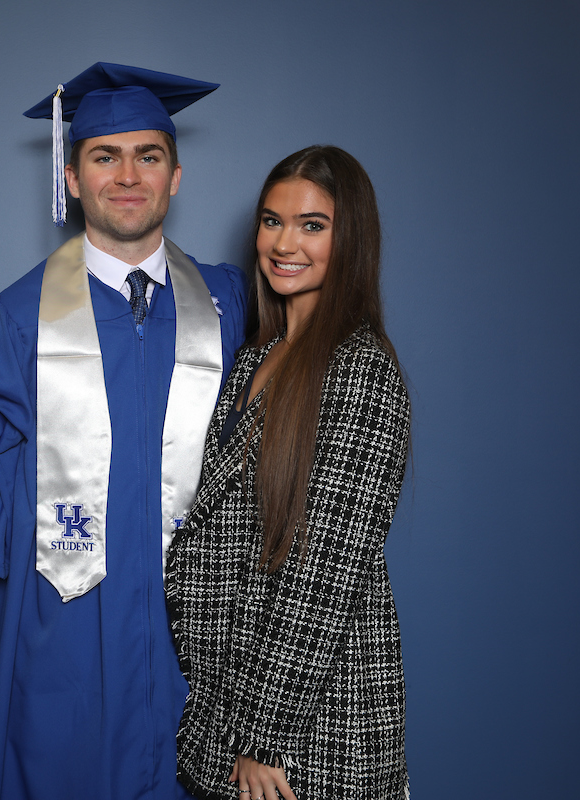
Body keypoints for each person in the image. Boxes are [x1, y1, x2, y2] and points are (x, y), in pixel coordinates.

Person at [0, 63, 247, 800]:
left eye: (148, 156)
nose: (127, 175)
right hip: (64, 629)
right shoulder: (13, 317)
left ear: (175, 176)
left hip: (202, 634)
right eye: (105, 156)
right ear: (72, 177)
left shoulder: (227, 306)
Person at [165, 145, 411, 800]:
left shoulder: (360, 370)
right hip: (225, 715)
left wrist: (262, 739)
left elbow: (321, 573)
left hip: (310, 736)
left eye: (312, 225)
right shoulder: (257, 359)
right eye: (272, 221)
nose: (284, 243)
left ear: (350, 237)